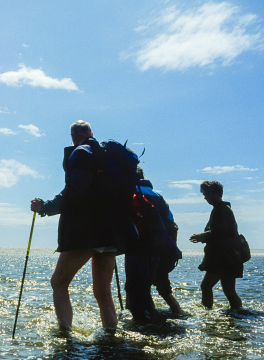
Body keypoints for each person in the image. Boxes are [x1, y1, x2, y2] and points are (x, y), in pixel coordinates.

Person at [30, 120, 134, 334]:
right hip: (111, 232)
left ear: (73, 136)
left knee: (58, 283)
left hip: (85, 231)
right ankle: (110, 337)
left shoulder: (81, 153)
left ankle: (65, 336)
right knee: (103, 291)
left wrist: (45, 207)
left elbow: (74, 191)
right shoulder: (106, 155)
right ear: (91, 133)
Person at [125, 166, 182, 321]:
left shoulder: (130, 193)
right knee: (164, 288)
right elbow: (172, 224)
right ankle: (179, 314)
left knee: (134, 287)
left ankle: (139, 320)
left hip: (139, 248)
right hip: (161, 247)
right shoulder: (159, 196)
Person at [190, 181, 243, 310]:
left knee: (207, 286)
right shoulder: (222, 209)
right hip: (228, 258)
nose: (205, 197)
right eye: (204, 194)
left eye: (207, 194)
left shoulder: (221, 210)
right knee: (229, 291)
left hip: (223, 258)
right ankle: (238, 314)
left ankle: (207, 312)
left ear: (217, 194)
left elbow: (219, 233)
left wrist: (201, 237)